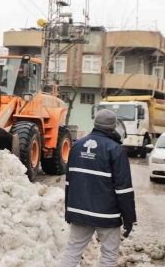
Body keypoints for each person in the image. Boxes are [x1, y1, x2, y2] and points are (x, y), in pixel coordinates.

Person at [59, 109, 136, 267]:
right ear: (113, 127)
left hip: (79, 211)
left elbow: (69, 182)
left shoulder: (76, 146)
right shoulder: (116, 150)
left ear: (95, 124)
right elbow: (123, 189)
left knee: (73, 250)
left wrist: (69, 211)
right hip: (107, 216)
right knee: (109, 253)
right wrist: (129, 218)